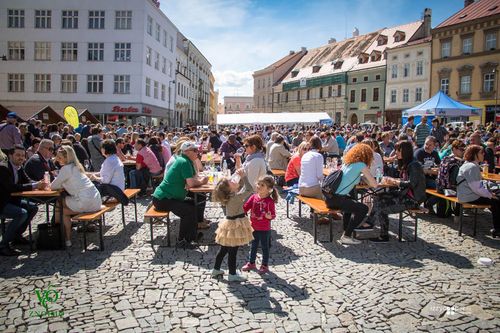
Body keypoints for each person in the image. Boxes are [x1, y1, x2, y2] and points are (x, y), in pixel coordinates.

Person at [152, 141, 208, 248]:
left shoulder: (185, 160)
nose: (198, 152)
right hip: (163, 198)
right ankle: (183, 240)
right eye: (195, 150)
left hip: (168, 197)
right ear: (187, 152)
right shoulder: (184, 162)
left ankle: (192, 235)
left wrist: (197, 181)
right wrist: (202, 182)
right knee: (188, 210)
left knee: (193, 203)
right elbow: (191, 183)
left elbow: (191, 180)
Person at [368, 141, 426, 242]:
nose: (396, 152)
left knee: (382, 207)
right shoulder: (406, 163)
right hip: (404, 194)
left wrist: (396, 182)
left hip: (412, 199)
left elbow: (412, 183)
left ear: (405, 151)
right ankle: (371, 223)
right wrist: (393, 180)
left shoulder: (414, 165)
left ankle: (381, 233)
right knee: (378, 196)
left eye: (398, 150)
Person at [49, 146, 102, 247]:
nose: (57, 159)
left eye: (59, 157)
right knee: (62, 208)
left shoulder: (66, 169)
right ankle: (60, 231)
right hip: (96, 200)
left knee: (60, 208)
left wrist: (60, 182)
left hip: (85, 202)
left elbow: (53, 186)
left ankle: (62, 235)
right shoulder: (77, 166)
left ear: (66, 158)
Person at [324, 143, 377, 245]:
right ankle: (347, 235)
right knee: (363, 209)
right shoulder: (361, 165)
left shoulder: (347, 163)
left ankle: (346, 229)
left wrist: (361, 178)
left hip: (330, 198)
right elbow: (374, 184)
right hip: (337, 200)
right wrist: (366, 178)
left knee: (351, 201)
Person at [211, 169, 254, 282]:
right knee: (233, 251)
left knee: (224, 249)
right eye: (231, 181)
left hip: (229, 224)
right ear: (229, 189)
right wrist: (244, 176)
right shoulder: (235, 197)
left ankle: (216, 269)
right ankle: (232, 274)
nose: (233, 180)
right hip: (235, 225)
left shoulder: (231, 196)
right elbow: (249, 189)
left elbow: (243, 188)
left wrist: (241, 178)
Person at [0, 146, 43, 256]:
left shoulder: (19, 167)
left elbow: (27, 180)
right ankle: (3, 245)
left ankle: (16, 236)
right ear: (10, 155)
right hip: (3, 202)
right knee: (21, 213)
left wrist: (39, 184)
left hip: (11, 200)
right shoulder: (4, 168)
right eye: (18, 155)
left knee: (33, 207)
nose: (21, 158)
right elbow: (12, 187)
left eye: (23, 156)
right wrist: (34, 185)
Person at [457, 145, 500, 238]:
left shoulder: (469, 164)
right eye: (481, 153)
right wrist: (490, 195)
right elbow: (477, 188)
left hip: (466, 194)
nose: (483, 154)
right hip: (469, 196)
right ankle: (497, 229)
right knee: (496, 201)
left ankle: (497, 228)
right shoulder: (472, 167)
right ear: (475, 154)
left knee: (495, 201)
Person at [242, 175, 278, 275]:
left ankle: (264, 265)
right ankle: (251, 262)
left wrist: (269, 216)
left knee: (264, 247)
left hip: (264, 229)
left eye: (262, 185)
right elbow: (245, 207)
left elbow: (273, 215)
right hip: (253, 227)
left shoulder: (269, 201)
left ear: (269, 189)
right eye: (258, 184)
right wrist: (239, 209)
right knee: (253, 246)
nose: (259, 186)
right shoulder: (254, 197)